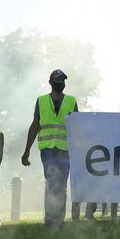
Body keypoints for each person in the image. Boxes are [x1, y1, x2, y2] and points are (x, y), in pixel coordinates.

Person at [22, 69, 80, 228]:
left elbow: (77, 127)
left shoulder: (71, 101)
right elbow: (35, 126)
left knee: (61, 184)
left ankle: (58, 220)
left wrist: (79, 150)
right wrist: (26, 151)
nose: (61, 83)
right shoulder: (41, 101)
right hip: (47, 149)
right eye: (58, 80)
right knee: (51, 181)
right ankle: (50, 220)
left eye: (63, 80)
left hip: (65, 149)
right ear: (50, 82)